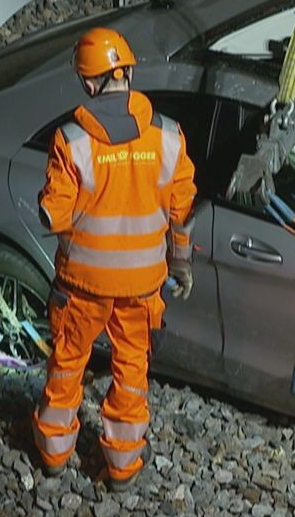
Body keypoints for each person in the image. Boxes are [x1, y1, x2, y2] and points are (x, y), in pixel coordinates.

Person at [34, 26, 197, 488]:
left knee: (67, 365)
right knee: (131, 373)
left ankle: (54, 453)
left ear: (88, 83)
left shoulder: (72, 141)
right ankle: (123, 466)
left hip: (83, 286)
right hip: (143, 287)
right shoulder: (168, 136)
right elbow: (182, 211)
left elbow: (54, 214)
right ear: (127, 72)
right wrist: (181, 263)